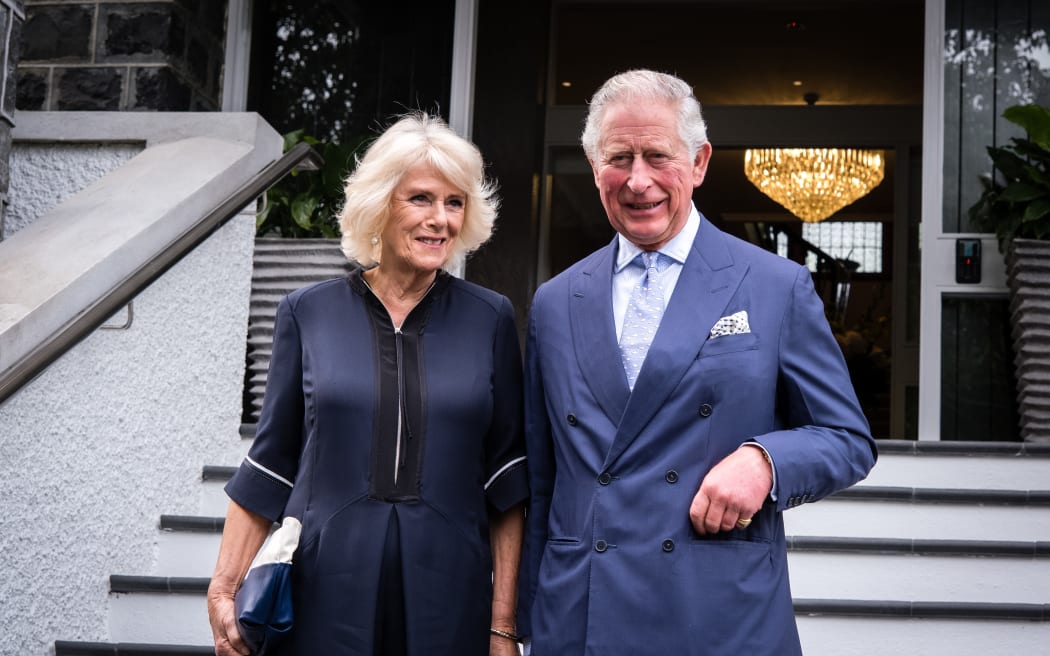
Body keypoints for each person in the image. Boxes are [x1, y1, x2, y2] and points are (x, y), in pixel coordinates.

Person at [518, 69, 877, 655]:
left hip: (715, 610)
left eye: (658, 156)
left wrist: (764, 462)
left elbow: (846, 438)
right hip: (582, 612)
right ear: (594, 167)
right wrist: (518, 623)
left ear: (700, 162)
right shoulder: (555, 301)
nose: (638, 181)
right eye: (618, 158)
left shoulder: (774, 285)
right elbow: (542, 479)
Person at [207, 113, 528, 656]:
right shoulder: (307, 312)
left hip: (448, 595)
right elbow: (271, 462)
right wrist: (223, 587)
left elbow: (507, 482)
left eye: (454, 203)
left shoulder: (490, 318)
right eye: (421, 199)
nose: (441, 220)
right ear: (381, 204)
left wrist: (502, 625)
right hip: (323, 586)